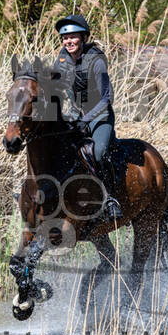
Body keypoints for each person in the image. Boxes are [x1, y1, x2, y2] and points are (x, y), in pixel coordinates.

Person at [52, 14, 123, 221]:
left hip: (100, 115)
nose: (68, 42)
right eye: (65, 38)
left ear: (83, 38)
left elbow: (106, 98)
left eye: (73, 37)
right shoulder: (63, 57)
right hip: (77, 116)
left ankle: (110, 199)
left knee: (98, 152)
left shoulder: (96, 60)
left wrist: (86, 119)